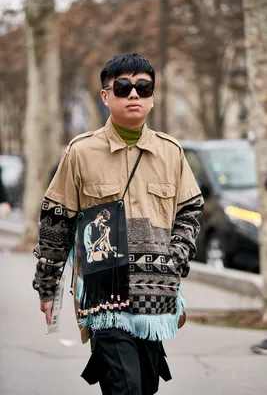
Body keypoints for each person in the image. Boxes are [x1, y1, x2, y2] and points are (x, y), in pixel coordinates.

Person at [32, 52, 204, 394]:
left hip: (155, 298)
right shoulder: (80, 153)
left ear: (154, 96)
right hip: (104, 298)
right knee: (125, 388)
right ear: (106, 96)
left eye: (143, 87)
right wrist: (47, 285)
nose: (134, 95)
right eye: (123, 87)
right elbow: (56, 219)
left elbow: (191, 209)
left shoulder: (171, 152)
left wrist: (176, 259)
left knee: (146, 386)